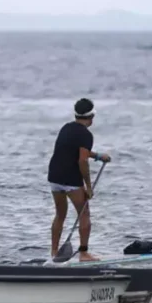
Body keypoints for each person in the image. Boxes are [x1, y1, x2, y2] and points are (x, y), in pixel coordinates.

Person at [47, 98, 111, 261]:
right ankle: (83, 253)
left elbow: (78, 151)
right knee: (84, 214)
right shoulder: (86, 134)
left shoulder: (66, 128)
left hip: (54, 176)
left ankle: (54, 252)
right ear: (91, 117)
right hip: (71, 179)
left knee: (60, 215)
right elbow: (82, 160)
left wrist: (97, 156)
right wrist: (88, 187)